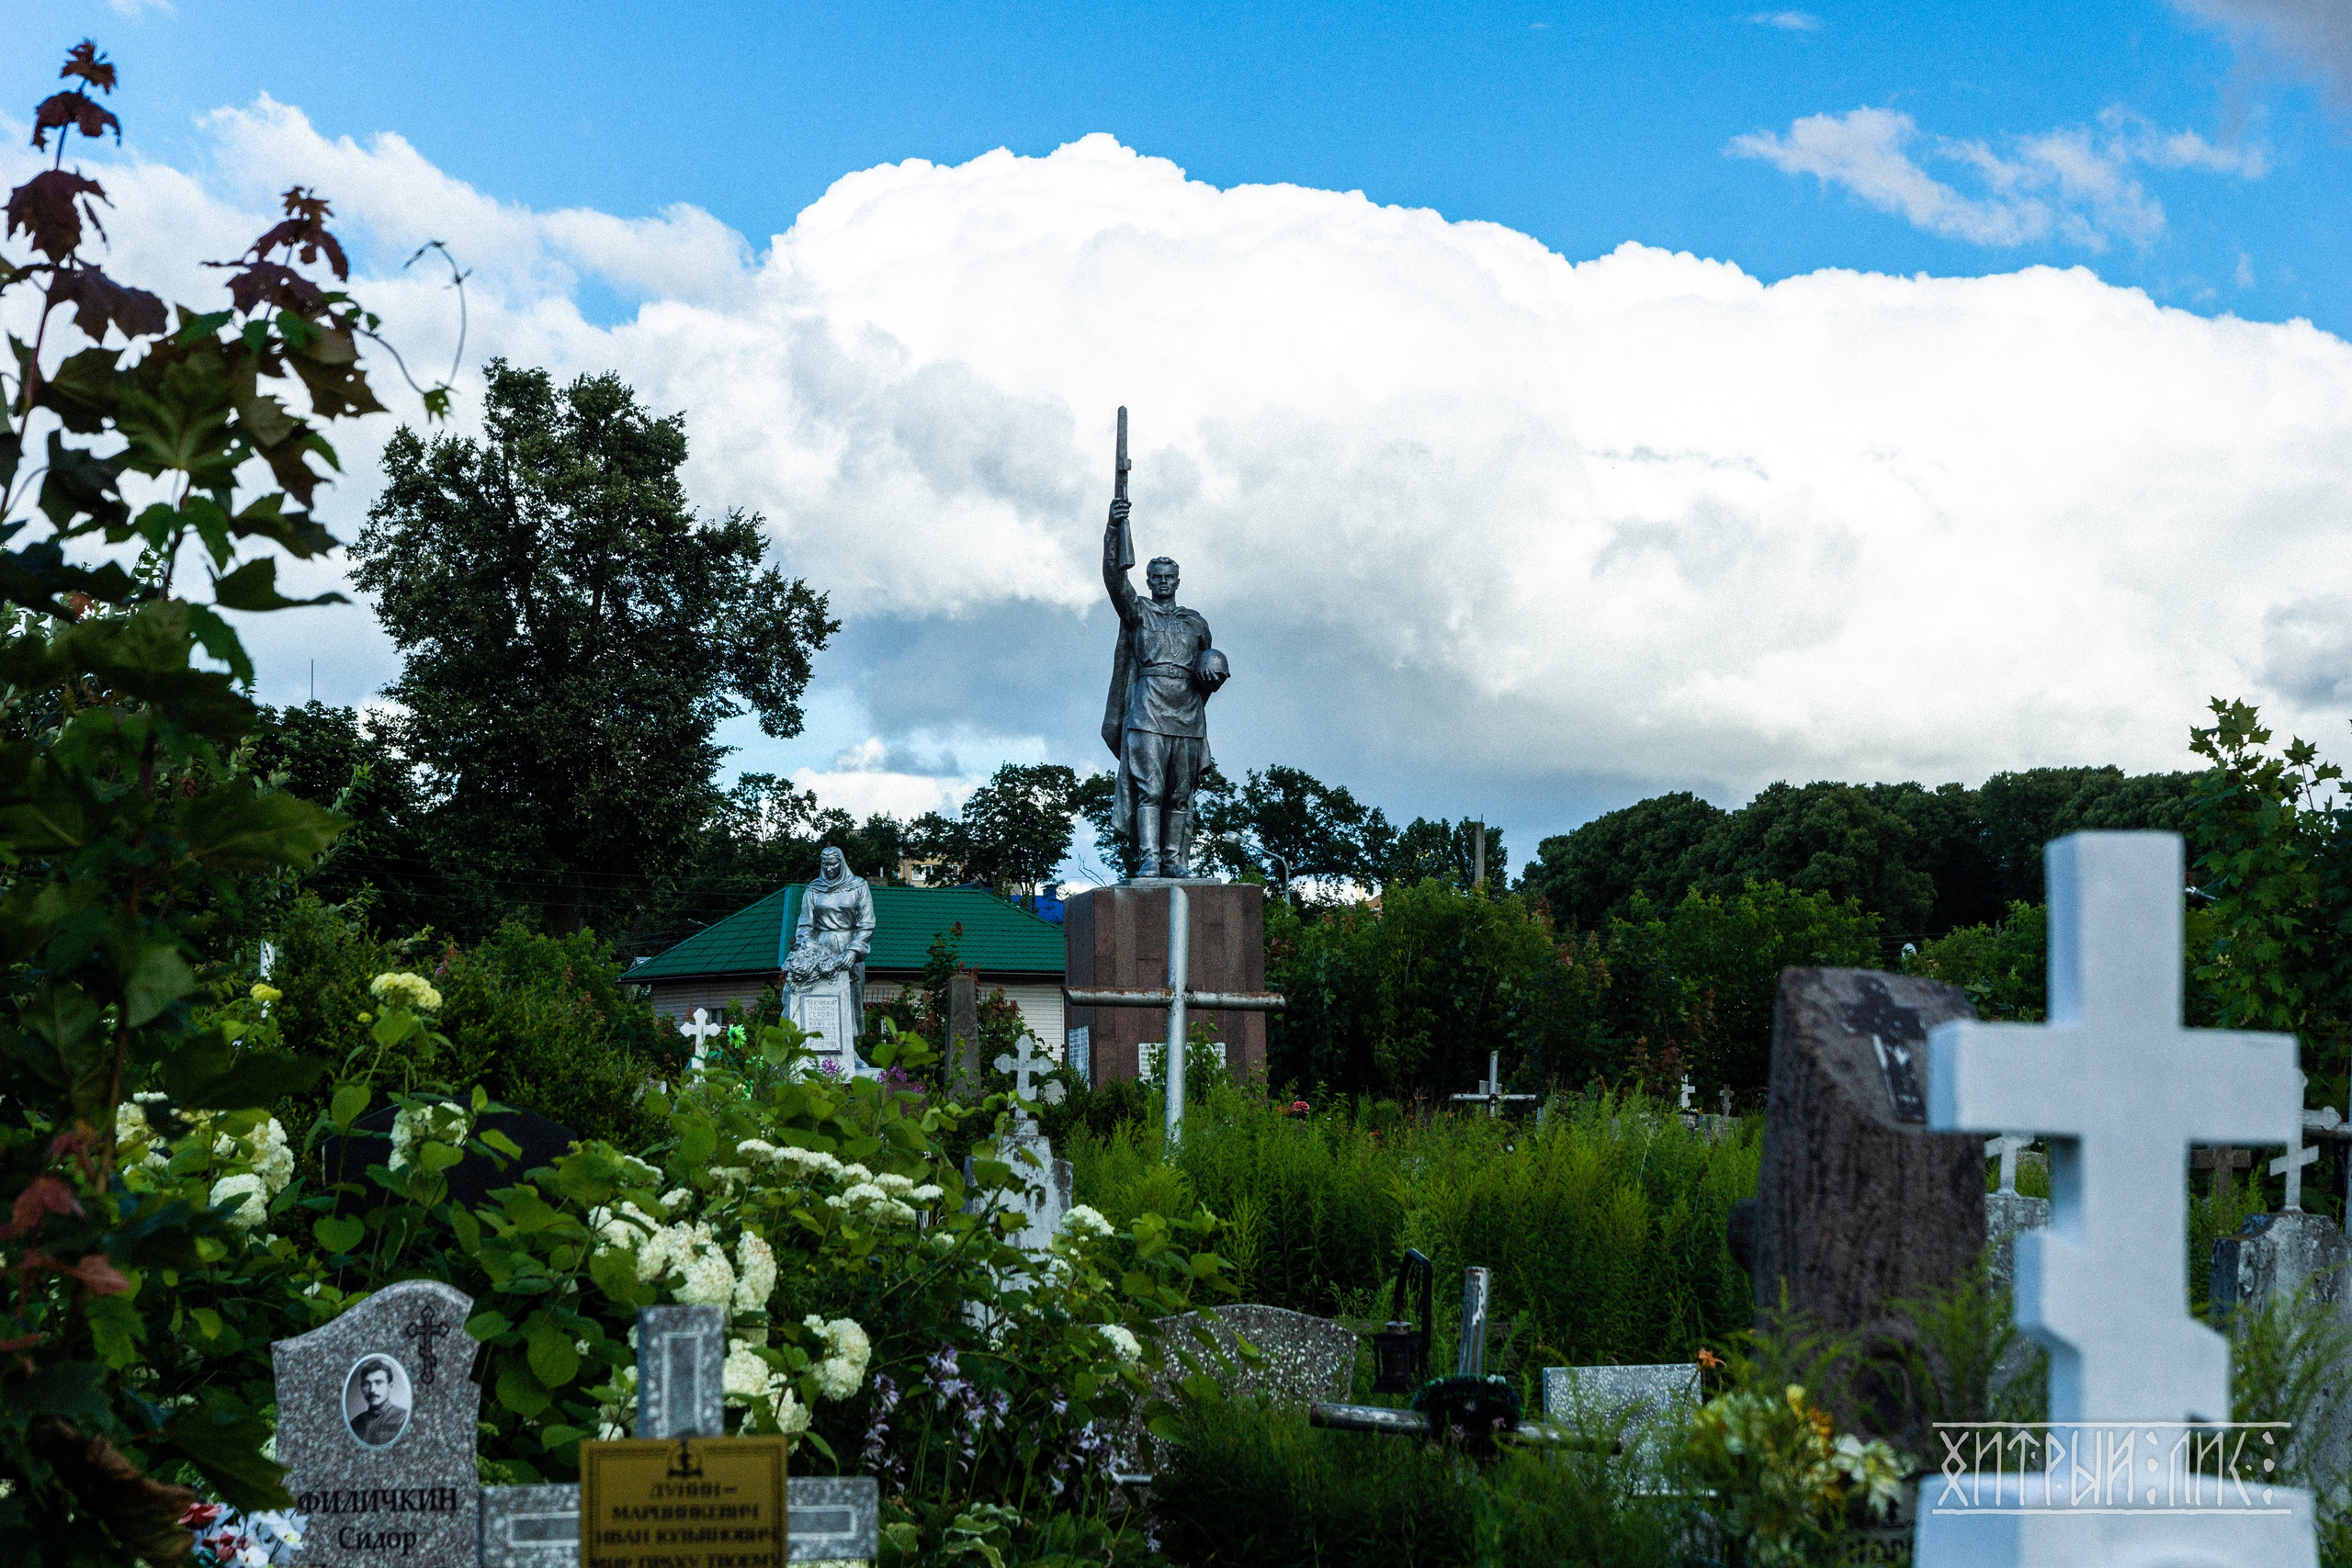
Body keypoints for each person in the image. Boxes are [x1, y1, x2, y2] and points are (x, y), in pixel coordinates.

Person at [1101, 495, 1227, 876]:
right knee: (1150, 789)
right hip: (1148, 709)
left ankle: (1176, 860)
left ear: (1178, 580)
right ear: (1149, 581)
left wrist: (1214, 672)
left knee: (1180, 793)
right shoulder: (1138, 611)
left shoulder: (1196, 622)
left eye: (1169, 577)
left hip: (1186, 712)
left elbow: (1208, 671)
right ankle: (1150, 859)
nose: (1163, 583)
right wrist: (1113, 528)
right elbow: (1113, 579)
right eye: (1156, 577)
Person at [786, 846, 876, 1026]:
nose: (829, 868)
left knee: (851, 996)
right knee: (819, 997)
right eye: (825, 864)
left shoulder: (858, 886)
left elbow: (866, 923)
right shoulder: (814, 889)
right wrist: (809, 949)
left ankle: (850, 1051)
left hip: (848, 945)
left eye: (833, 863)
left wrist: (853, 951)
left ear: (841, 863)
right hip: (820, 947)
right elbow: (805, 926)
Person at [348, 1357, 409, 1446]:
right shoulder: (355, 1423)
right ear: (361, 1388)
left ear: (390, 1386)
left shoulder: (403, 1418)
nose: (372, 1390)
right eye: (367, 1384)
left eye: (378, 1382)